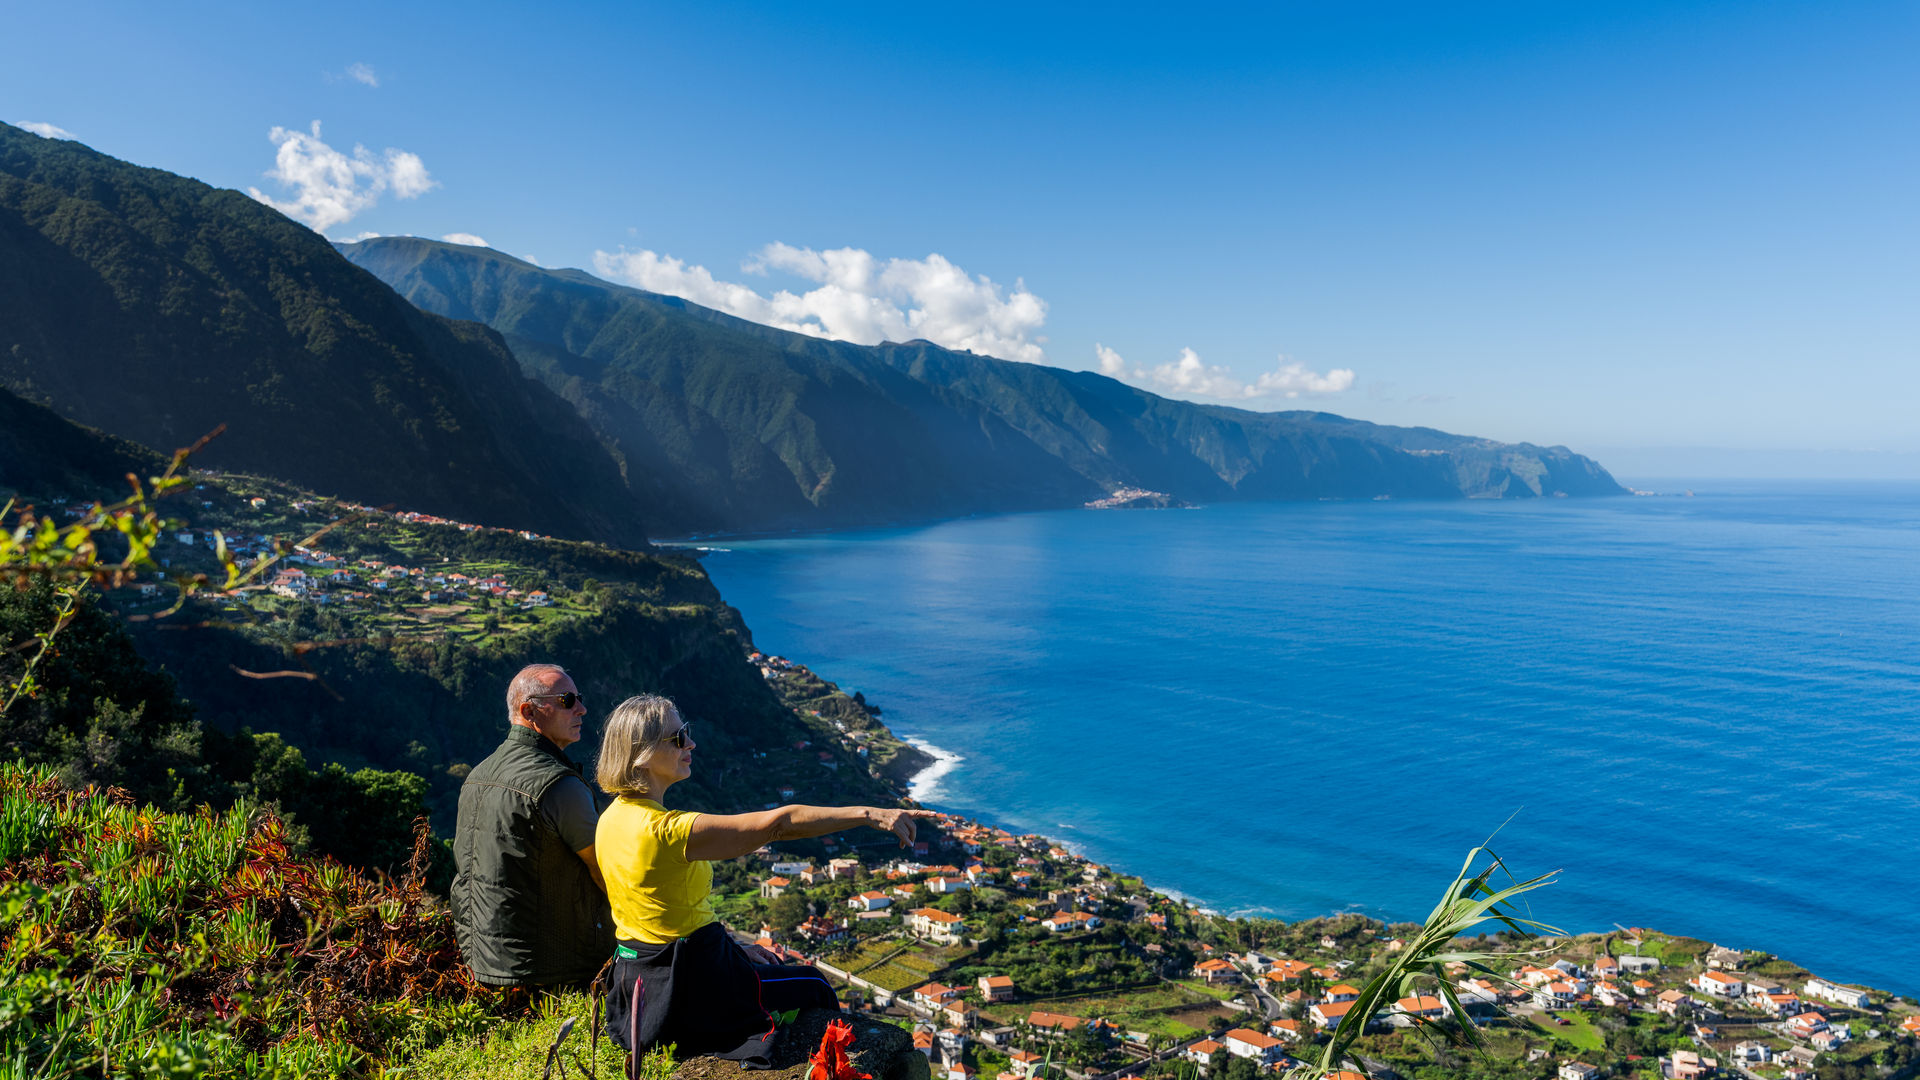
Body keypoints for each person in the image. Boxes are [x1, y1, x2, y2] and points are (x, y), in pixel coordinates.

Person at [595, 694, 936, 1065]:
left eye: (687, 732)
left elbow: (658, 912)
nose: (690, 743)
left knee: (771, 969)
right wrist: (870, 814)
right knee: (814, 984)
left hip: (640, 981)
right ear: (642, 755)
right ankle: (835, 1065)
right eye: (678, 738)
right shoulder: (667, 831)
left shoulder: (610, 819)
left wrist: (735, 948)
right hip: (696, 984)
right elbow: (778, 825)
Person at [451, 663, 615, 989]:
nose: (581, 709)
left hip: (481, 964)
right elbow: (606, 872)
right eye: (567, 700)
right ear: (529, 711)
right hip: (550, 971)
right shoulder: (558, 785)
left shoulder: (477, 775)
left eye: (579, 698)